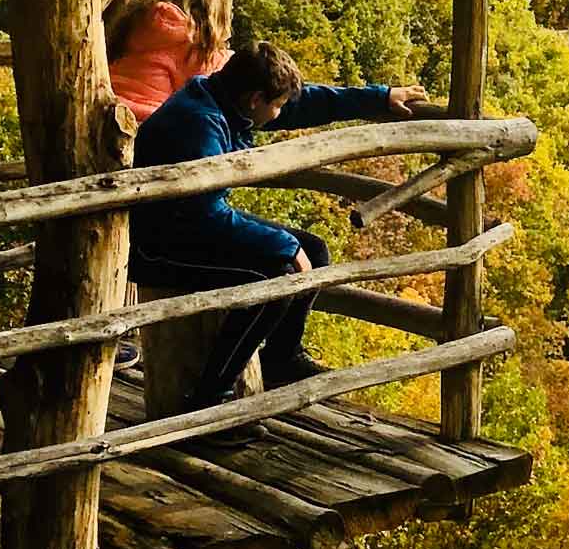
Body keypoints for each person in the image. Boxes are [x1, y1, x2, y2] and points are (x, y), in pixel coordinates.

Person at [130, 41, 433, 404]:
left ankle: (281, 358)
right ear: (256, 99)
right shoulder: (200, 123)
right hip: (159, 246)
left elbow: (306, 103)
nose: (280, 113)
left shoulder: (225, 99)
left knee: (314, 250)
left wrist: (379, 98)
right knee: (272, 279)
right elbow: (204, 213)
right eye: (276, 105)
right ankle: (210, 396)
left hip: (190, 221)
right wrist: (285, 247)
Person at [106, 0, 236, 124]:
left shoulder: (135, 18)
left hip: (108, 108)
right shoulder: (188, 38)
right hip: (146, 123)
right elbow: (213, 78)